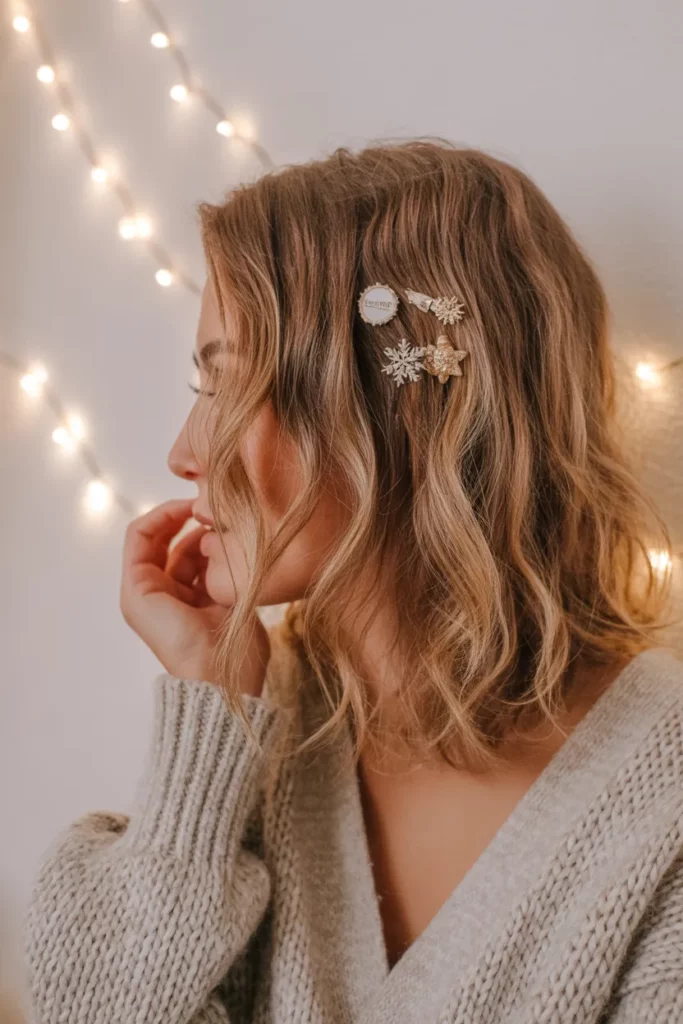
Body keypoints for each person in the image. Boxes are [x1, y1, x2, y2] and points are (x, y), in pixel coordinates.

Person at [23, 140, 683, 1024]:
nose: (183, 452)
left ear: (401, 413)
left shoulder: (660, 804)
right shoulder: (257, 737)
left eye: (227, 385)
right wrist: (210, 712)